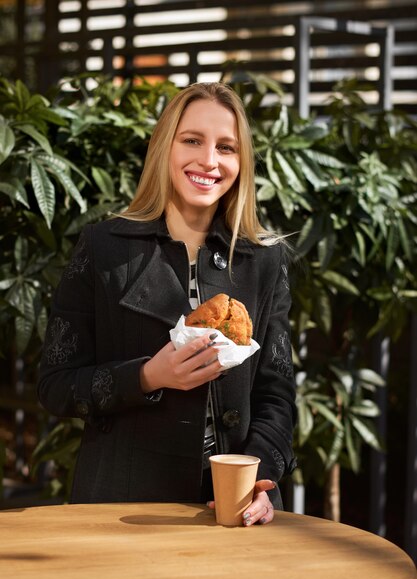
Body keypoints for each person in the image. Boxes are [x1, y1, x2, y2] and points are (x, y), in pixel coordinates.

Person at [37, 82, 297, 526]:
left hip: (227, 507)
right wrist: (146, 376)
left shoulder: (263, 259)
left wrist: (261, 475)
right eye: (192, 140)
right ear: (165, 148)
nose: (209, 161)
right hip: (123, 503)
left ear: (242, 161)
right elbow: (57, 386)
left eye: (227, 147)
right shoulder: (104, 247)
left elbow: (277, 394)